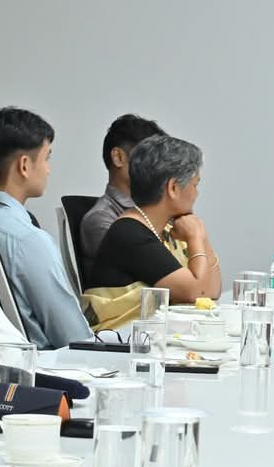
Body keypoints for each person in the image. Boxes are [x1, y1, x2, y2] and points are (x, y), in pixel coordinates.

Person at [82, 135, 221, 330]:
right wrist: (196, 237)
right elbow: (198, 293)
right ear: (173, 188)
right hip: (119, 341)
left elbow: (212, 290)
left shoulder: (165, 229)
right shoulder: (129, 233)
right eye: (195, 185)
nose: (197, 193)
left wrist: (201, 237)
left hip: (146, 337)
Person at [0, 108, 92, 349]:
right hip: (45, 366)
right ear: (24, 165)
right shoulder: (28, 241)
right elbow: (73, 338)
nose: (48, 169)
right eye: (46, 157)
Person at [80, 114, 166, 280]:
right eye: (149, 156)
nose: (159, 166)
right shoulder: (101, 219)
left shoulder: (159, 212)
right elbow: (159, 277)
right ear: (119, 157)